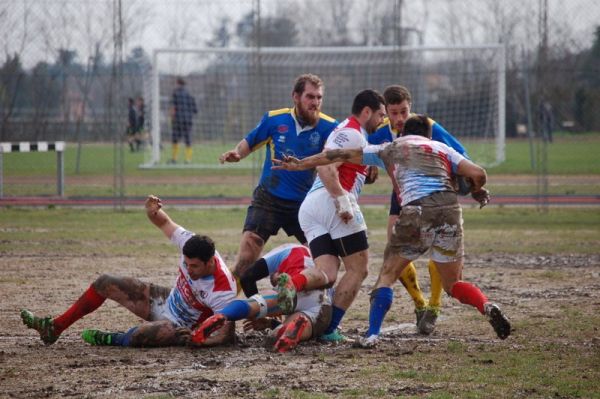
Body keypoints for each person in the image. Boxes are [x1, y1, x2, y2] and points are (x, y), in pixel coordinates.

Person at [273, 114, 511, 347]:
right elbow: (479, 174)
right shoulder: (442, 148)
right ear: (428, 135)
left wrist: (301, 163)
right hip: (450, 213)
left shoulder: (391, 147)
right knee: (453, 284)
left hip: (417, 211)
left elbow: (337, 154)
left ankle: (372, 335)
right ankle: (487, 306)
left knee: (386, 276)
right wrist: (477, 190)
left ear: (403, 134)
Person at [20, 195, 237, 348]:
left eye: (194, 266)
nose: (189, 270)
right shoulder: (188, 241)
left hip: (182, 326)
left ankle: (113, 339)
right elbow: (164, 223)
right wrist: (153, 212)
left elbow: (226, 333)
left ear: (210, 262)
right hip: (168, 300)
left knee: (139, 335)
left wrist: (198, 338)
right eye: (186, 265)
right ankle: (54, 327)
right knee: (105, 282)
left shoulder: (223, 288)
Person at [276, 89, 387, 343]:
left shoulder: (346, 131)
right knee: (359, 269)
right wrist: (342, 201)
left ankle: (292, 283)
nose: (381, 120)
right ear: (367, 112)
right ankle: (329, 328)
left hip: (311, 206)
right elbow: (327, 167)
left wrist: (363, 173)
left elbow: (330, 161)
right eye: (380, 115)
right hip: (331, 202)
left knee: (327, 272)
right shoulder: (352, 133)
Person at [368, 85, 470, 335]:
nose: (400, 118)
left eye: (404, 111)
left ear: (410, 107)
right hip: (402, 194)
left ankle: (434, 307)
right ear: (386, 113)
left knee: (439, 250)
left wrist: (467, 184)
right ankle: (420, 304)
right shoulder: (379, 133)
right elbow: (366, 159)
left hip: (435, 194)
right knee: (393, 251)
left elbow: (461, 154)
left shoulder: (428, 127)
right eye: (394, 113)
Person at [219, 74, 338, 281]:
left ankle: (290, 285)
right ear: (295, 96)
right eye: (310, 97)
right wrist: (237, 154)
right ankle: (223, 300)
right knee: (247, 255)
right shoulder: (274, 119)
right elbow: (248, 142)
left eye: (319, 97)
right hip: (269, 197)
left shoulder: (330, 127)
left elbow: (339, 159)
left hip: (306, 202)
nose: (315, 103)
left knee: (322, 258)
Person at [192, 243, 331, 353]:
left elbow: (247, 277)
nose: (274, 280)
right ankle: (291, 327)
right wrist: (270, 323)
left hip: (288, 292)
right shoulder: (317, 258)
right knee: (298, 323)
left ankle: (224, 314)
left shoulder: (288, 249)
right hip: (320, 302)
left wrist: (256, 312)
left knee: (254, 305)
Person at [169, 77, 198, 164]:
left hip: (178, 120)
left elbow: (173, 108)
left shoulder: (175, 93)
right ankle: (188, 159)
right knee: (188, 139)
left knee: (175, 139)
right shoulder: (190, 95)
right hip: (188, 120)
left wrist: (172, 117)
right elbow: (195, 110)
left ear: (178, 83)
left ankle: (174, 159)